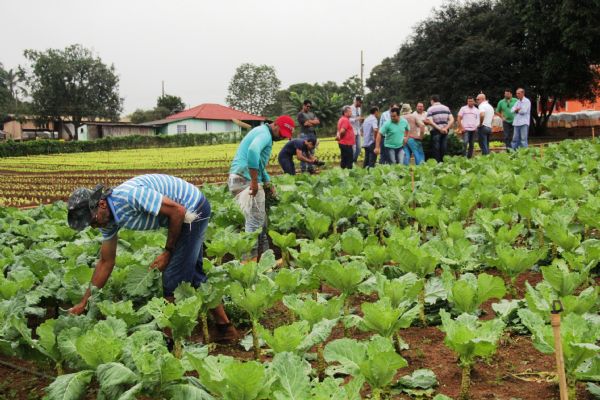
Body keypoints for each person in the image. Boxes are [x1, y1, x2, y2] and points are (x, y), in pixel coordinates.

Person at [65, 174, 238, 342]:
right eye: (90, 225)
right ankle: (226, 328)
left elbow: (178, 211)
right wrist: (84, 302)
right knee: (193, 273)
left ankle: (171, 342)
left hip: (192, 210)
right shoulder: (107, 220)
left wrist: (168, 252)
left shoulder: (130, 197)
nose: (95, 226)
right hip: (184, 212)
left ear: (101, 204)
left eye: (93, 221)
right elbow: (106, 262)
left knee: (172, 278)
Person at [228, 116, 294, 259]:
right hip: (245, 180)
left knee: (260, 223)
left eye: (285, 136)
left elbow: (259, 163)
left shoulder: (261, 131)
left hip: (238, 179)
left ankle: (265, 262)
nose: (282, 137)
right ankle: (249, 265)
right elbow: (253, 151)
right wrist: (253, 181)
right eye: (281, 133)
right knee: (254, 226)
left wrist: (267, 182)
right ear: (275, 124)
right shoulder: (265, 134)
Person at [426, 95, 454, 162]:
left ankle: (437, 163)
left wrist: (439, 129)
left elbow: (430, 121)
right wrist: (446, 128)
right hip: (445, 131)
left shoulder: (430, 109)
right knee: (444, 147)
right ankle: (444, 163)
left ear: (432, 101)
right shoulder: (446, 108)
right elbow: (452, 119)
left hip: (436, 131)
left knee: (436, 149)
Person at [296, 100, 320, 172]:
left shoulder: (312, 113)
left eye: (310, 106)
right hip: (304, 134)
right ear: (303, 105)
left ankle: (311, 168)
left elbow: (318, 122)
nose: (308, 108)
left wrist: (310, 121)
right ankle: (303, 169)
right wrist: (313, 122)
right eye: (307, 106)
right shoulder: (300, 114)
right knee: (303, 152)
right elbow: (306, 124)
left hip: (312, 134)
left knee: (312, 151)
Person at [350, 96, 364, 163]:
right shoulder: (350, 108)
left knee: (359, 148)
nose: (361, 104)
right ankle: (352, 162)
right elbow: (347, 119)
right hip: (352, 131)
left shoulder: (359, 109)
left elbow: (359, 120)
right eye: (360, 102)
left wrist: (361, 121)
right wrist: (356, 119)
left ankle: (354, 160)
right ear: (357, 101)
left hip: (358, 131)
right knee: (353, 148)